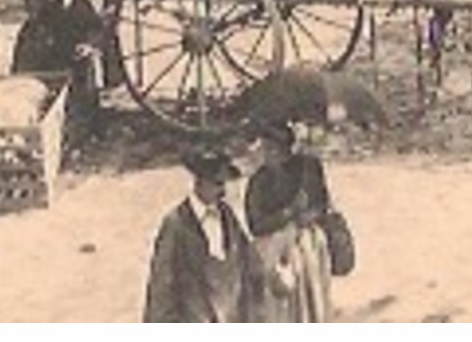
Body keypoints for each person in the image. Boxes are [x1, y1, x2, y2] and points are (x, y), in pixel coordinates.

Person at [143, 148, 262, 322]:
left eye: (224, 184)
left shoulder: (227, 216)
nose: (223, 192)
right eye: (217, 183)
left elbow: (248, 263)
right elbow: (161, 287)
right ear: (200, 181)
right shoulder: (176, 224)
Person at [244, 121, 334, 323]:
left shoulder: (308, 169)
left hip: (307, 244)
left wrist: (308, 215)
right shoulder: (260, 180)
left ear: (285, 148)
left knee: (310, 299)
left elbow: (322, 205)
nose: (267, 153)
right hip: (272, 248)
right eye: (265, 148)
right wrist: (288, 213)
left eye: (272, 148)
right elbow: (255, 224)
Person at [54, 0, 110, 144]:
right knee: (70, 92)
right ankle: (74, 133)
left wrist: (90, 45)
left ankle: (92, 134)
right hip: (67, 48)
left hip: (86, 50)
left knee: (88, 92)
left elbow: (101, 25)